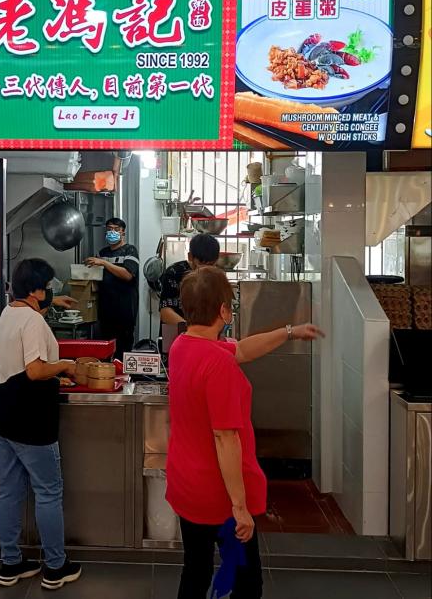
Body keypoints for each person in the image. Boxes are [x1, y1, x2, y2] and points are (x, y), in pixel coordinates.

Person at [167, 266, 324, 599]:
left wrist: (289, 331)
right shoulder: (217, 364)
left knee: (195, 570)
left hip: (187, 484)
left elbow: (241, 350)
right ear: (224, 311)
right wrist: (239, 507)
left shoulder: (183, 346)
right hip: (220, 495)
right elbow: (226, 438)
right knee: (247, 583)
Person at [0, 258, 82, 591]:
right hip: (31, 418)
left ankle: (10, 562)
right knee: (48, 492)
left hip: (3, 416)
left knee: (10, 491)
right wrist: (66, 367)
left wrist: (50, 304)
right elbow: (34, 370)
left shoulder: (8, 312)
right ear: (34, 291)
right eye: (46, 288)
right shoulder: (31, 321)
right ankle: (55, 568)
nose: (49, 293)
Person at [86, 217, 139, 357]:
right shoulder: (103, 253)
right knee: (106, 350)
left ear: (123, 233)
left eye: (116, 229)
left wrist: (104, 263)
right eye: (109, 229)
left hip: (124, 310)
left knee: (122, 351)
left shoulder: (130, 250)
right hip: (105, 310)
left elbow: (128, 275)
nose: (112, 232)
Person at [159, 233, 220, 325]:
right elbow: (166, 313)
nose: (206, 269)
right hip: (177, 332)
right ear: (190, 256)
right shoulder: (174, 273)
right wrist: (191, 330)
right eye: (201, 264)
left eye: (211, 265)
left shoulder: (216, 277)